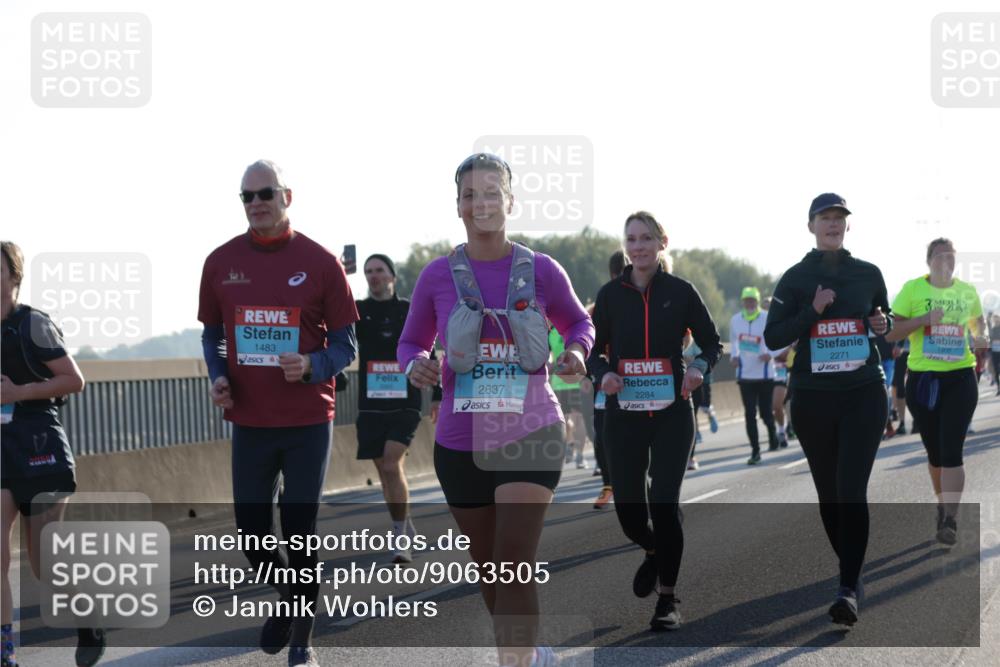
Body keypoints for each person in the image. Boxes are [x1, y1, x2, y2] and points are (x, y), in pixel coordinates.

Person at [398, 153, 593, 667]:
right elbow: (411, 342)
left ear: (510, 201)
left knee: (512, 563)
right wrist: (415, 365)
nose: (480, 204)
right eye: (470, 195)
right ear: (458, 205)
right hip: (459, 441)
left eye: (491, 193)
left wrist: (577, 352)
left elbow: (579, 323)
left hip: (531, 430)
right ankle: (531, 654)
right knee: (489, 572)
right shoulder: (437, 276)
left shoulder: (542, 270)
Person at [198, 160, 358, 667]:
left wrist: (312, 365)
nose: (256, 203)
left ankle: (303, 643)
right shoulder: (220, 262)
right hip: (250, 422)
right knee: (251, 534)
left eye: (265, 193)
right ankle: (291, 598)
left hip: (308, 420)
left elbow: (346, 346)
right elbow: (212, 335)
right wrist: (218, 375)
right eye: (246, 196)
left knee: (299, 528)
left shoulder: (321, 262)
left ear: (287, 196)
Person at [590, 211, 722, 632]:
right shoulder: (610, 296)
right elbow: (592, 351)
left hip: (672, 414)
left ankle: (667, 599)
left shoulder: (681, 291)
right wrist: (603, 374)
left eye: (646, 238)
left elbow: (712, 343)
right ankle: (652, 549)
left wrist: (698, 367)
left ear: (662, 242)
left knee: (663, 504)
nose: (638, 246)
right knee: (630, 514)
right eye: (631, 239)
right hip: (624, 417)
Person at [765, 193, 891, 628]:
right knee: (829, 495)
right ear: (811, 226)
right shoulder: (795, 278)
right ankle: (852, 572)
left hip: (863, 392)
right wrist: (812, 310)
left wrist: (883, 324)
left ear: (847, 225)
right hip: (813, 397)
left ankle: (847, 588)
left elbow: (884, 318)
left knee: (850, 489)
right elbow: (773, 337)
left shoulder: (868, 273)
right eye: (825, 218)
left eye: (839, 218)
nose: (833, 224)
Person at [1, 242, 103, 667]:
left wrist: (19, 392)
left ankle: (87, 619)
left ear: (14, 277)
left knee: (45, 561)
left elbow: (73, 380)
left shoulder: (33, 324)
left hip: (38, 443)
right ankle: (5, 653)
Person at [885, 238, 987, 545]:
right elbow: (892, 332)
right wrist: (923, 320)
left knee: (952, 450)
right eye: (940, 256)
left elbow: (978, 324)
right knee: (935, 454)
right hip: (923, 380)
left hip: (960, 377)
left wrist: (980, 339)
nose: (946, 262)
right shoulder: (913, 289)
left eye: (951, 257)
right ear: (929, 261)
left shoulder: (966, 291)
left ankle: (950, 519)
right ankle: (942, 505)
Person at [355, 253, 441, 564]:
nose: (373, 276)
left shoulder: (408, 310)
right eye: (368, 271)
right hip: (371, 404)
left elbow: (430, 350)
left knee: (391, 464)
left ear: (392, 276)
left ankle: (400, 536)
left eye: (379, 270)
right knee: (385, 471)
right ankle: (405, 523)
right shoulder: (358, 311)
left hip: (405, 400)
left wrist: (438, 394)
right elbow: (337, 337)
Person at [589, 250, 625, 509]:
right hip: (606, 382)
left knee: (631, 437)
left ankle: (633, 484)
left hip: (639, 382)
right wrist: (596, 372)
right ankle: (608, 485)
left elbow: (686, 338)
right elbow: (589, 345)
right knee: (602, 436)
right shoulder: (600, 303)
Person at [730, 286, 779, 463]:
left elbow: (779, 340)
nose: (749, 303)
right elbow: (734, 342)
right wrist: (734, 357)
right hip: (745, 376)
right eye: (747, 300)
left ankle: (773, 435)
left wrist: (770, 355)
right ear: (743, 302)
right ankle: (755, 451)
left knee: (766, 413)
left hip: (765, 374)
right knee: (750, 414)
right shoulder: (735, 320)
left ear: (757, 301)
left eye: (752, 300)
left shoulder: (767, 317)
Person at [549, 326, 590, 469]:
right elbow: (548, 356)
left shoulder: (576, 328)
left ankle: (580, 455)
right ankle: (570, 443)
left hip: (576, 382)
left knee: (578, 419)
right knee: (565, 421)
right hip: (558, 384)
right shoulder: (551, 332)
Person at [990, 313, 1000, 395]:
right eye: (994, 319)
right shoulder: (992, 330)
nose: (996, 321)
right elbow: (990, 341)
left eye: (997, 319)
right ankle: (998, 388)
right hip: (994, 352)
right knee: (996, 371)